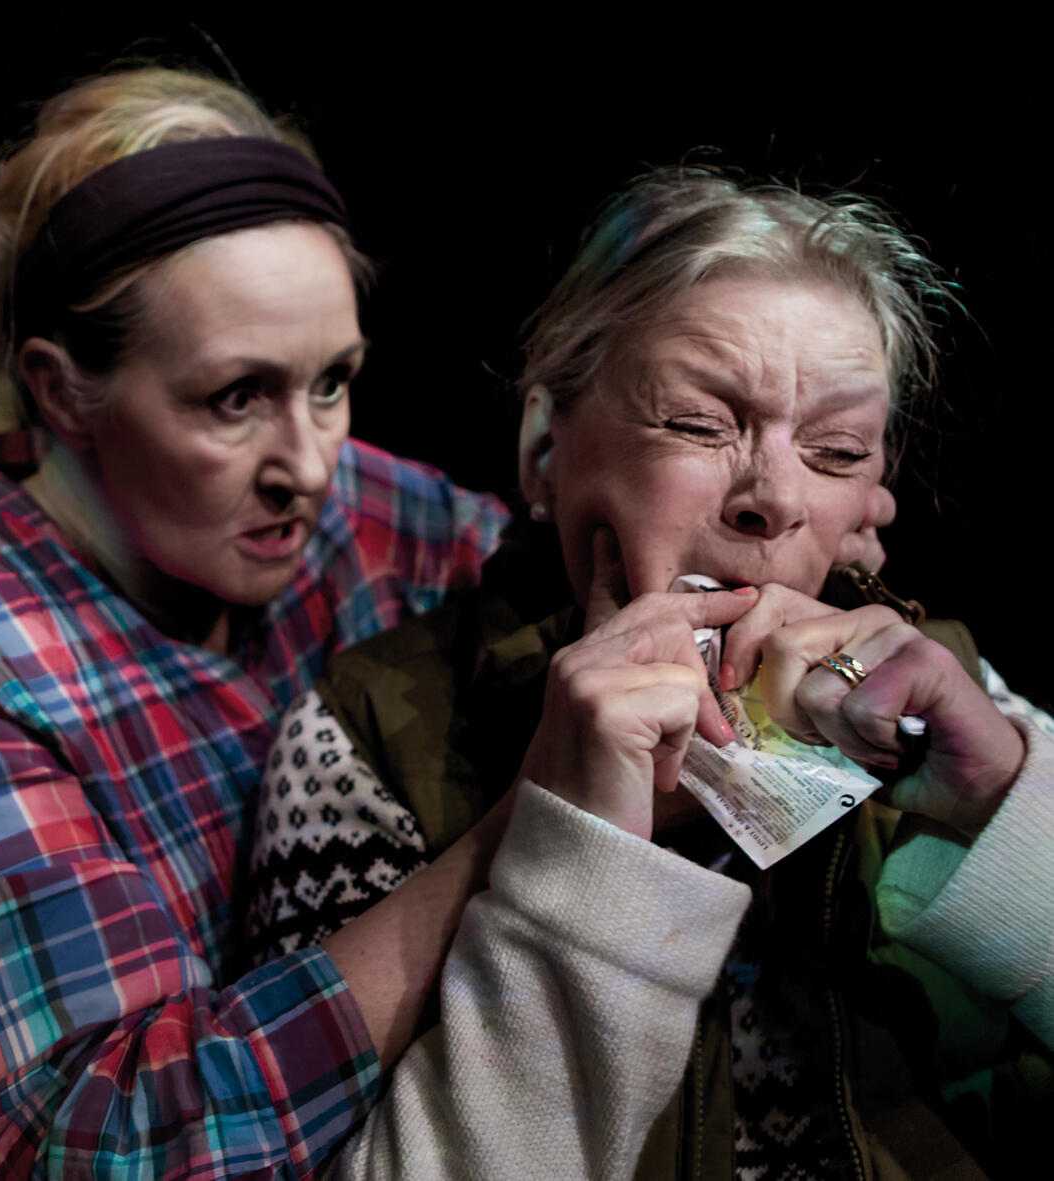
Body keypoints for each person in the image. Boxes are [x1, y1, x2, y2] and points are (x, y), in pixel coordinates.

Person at [248, 169, 1054, 1179]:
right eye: (697, 424)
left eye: (836, 450)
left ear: (868, 508)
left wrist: (1008, 807)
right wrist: (590, 862)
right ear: (544, 450)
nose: (772, 497)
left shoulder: (955, 703)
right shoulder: (363, 742)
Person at [0, 67, 514, 1178]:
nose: (308, 465)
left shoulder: (364, 511)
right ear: (61, 391)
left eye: (332, 381)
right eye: (235, 397)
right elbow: (106, 1136)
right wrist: (523, 845)